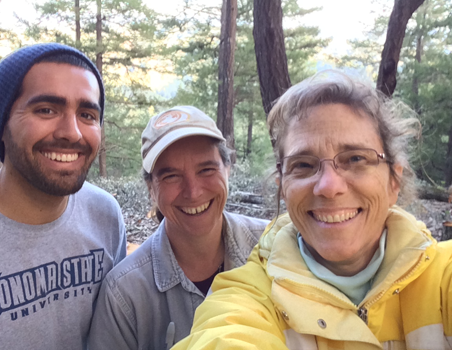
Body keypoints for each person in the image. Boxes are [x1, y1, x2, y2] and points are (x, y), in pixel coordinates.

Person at [172, 71, 452, 349]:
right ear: (283, 187)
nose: (329, 186)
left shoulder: (442, 280)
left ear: (394, 180)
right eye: (303, 165)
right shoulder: (248, 295)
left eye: (356, 158)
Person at [0, 43, 127, 350]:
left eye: (87, 114)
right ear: (2, 124)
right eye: (46, 110)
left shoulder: (105, 216)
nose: (71, 132)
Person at [88, 106, 269, 349]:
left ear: (228, 169)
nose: (193, 192)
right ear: (151, 188)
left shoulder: (273, 248)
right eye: (171, 176)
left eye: (206, 169)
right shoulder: (125, 295)